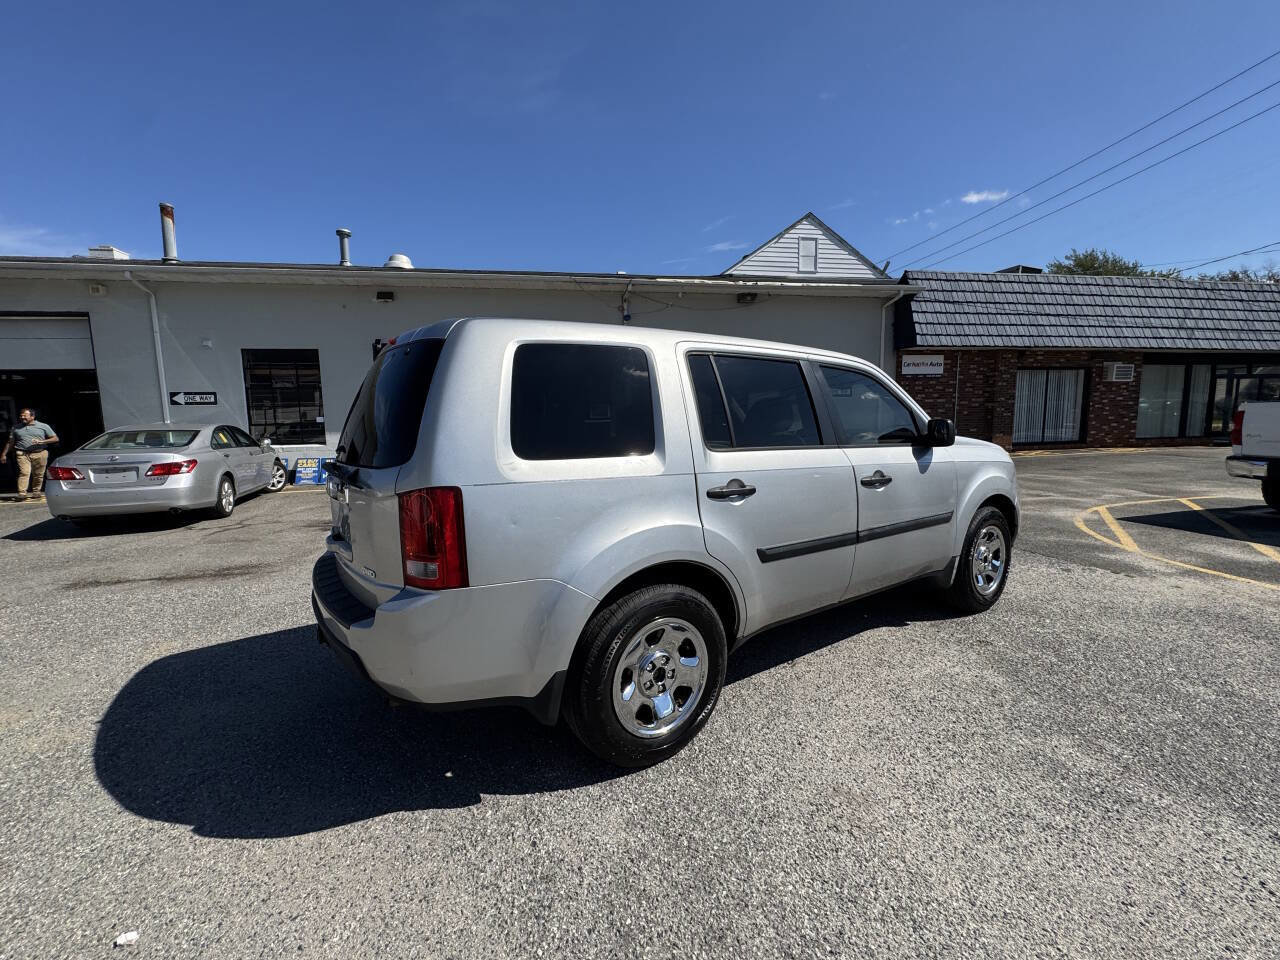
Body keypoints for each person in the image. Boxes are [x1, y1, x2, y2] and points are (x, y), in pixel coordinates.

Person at [1, 408, 59, 499]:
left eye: (25, 416)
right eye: (21, 415)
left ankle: (36, 492)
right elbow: (10, 442)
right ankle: (22, 493)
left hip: (40, 453)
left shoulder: (43, 426)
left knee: (38, 474)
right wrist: (4, 454)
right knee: (24, 472)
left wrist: (42, 442)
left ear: (32, 416)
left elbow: (55, 438)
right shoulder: (16, 427)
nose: (22, 417)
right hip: (22, 453)